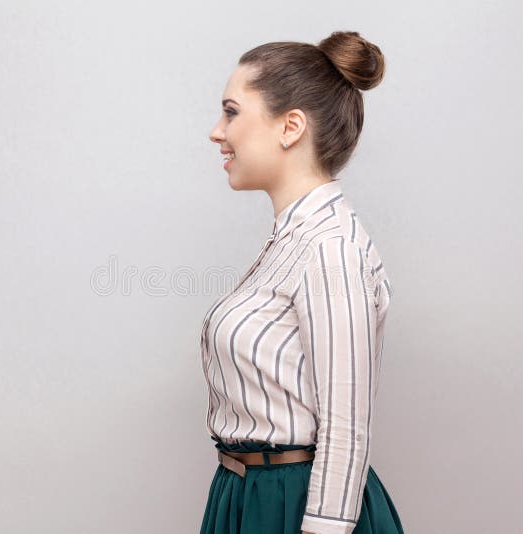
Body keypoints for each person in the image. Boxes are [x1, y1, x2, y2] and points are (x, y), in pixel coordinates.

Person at [201, 31, 405, 534]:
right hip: (245, 495)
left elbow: (346, 429)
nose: (216, 132)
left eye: (231, 112)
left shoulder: (331, 249)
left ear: (290, 126)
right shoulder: (291, 243)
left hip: (295, 504)